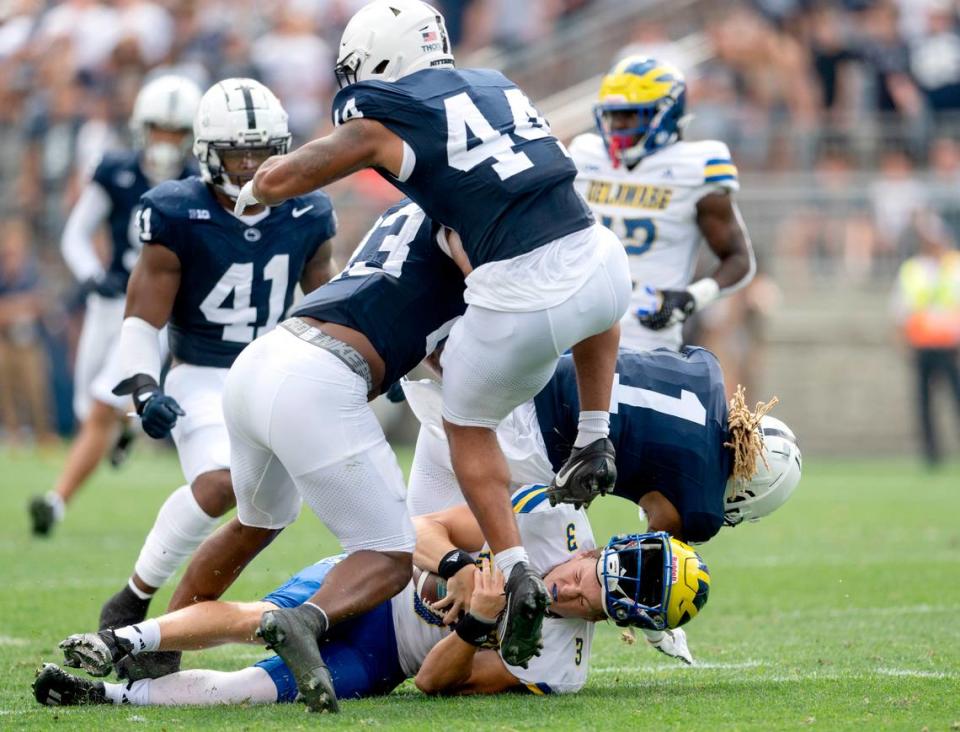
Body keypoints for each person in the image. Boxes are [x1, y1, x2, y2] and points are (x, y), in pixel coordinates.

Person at [232, 0, 632, 671]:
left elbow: (279, 178)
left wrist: (252, 191)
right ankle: (596, 434)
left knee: (466, 421)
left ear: (378, 64)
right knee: (596, 299)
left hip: (523, 292)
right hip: (600, 257)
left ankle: (513, 570)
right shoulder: (497, 83)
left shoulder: (390, 111)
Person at [36, 487, 710, 708]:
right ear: (595, 546)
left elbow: (436, 683)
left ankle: (108, 694)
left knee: (250, 690)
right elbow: (421, 527)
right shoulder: (544, 521)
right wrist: (457, 563)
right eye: (593, 568)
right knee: (267, 621)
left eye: (594, 598)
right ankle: (124, 641)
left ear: (612, 620)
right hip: (383, 580)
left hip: (388, 657)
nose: (571, 583)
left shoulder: (562, 666)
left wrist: (476, 624)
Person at [96, 78, 336, 678]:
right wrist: (144, 386)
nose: (251, 166)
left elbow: (328, 302)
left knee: (272, 510)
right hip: (201, 373)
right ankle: (132, 598)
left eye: (262, 151)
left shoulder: (309, 208)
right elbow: (141, 315)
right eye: (238, 153)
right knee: (222, 485)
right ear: (208, 154)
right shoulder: (176, 211)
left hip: (275, 371)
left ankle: (175, 626)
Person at [28, 75, 202, 536]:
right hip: (111, 301)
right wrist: (92, 276)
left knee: (104, 404)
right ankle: (128, 428)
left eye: (175, 131)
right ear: (141, 128)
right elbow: (75, 233)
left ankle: (56, 500)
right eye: (158, 129)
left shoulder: (197, 182)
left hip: (155, 310)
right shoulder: (116, 170)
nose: (165, 141)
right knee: (93, 407)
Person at [404, 346, 802, 544]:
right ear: (750, 492)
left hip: (539, 369)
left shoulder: (706, 367)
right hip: (536, 443)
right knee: (463, 544)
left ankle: (411, 347)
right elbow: (638, 559)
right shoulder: (701, 508)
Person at [570, 56, 755, 352]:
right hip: (576, 332)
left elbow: (739, 259)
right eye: (612, 115)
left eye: (630, 115)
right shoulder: (585, 155)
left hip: (646, 343)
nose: (617, 125)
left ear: (665, 114)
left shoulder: (696, 166)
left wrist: (691, 298)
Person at [891, 213, 960, 466]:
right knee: (925, 404)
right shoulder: (913, 270)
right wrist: (902, 343)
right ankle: (931, 454)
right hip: (923, 345)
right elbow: (900, 309)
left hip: (951, 347)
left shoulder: (954, 266)